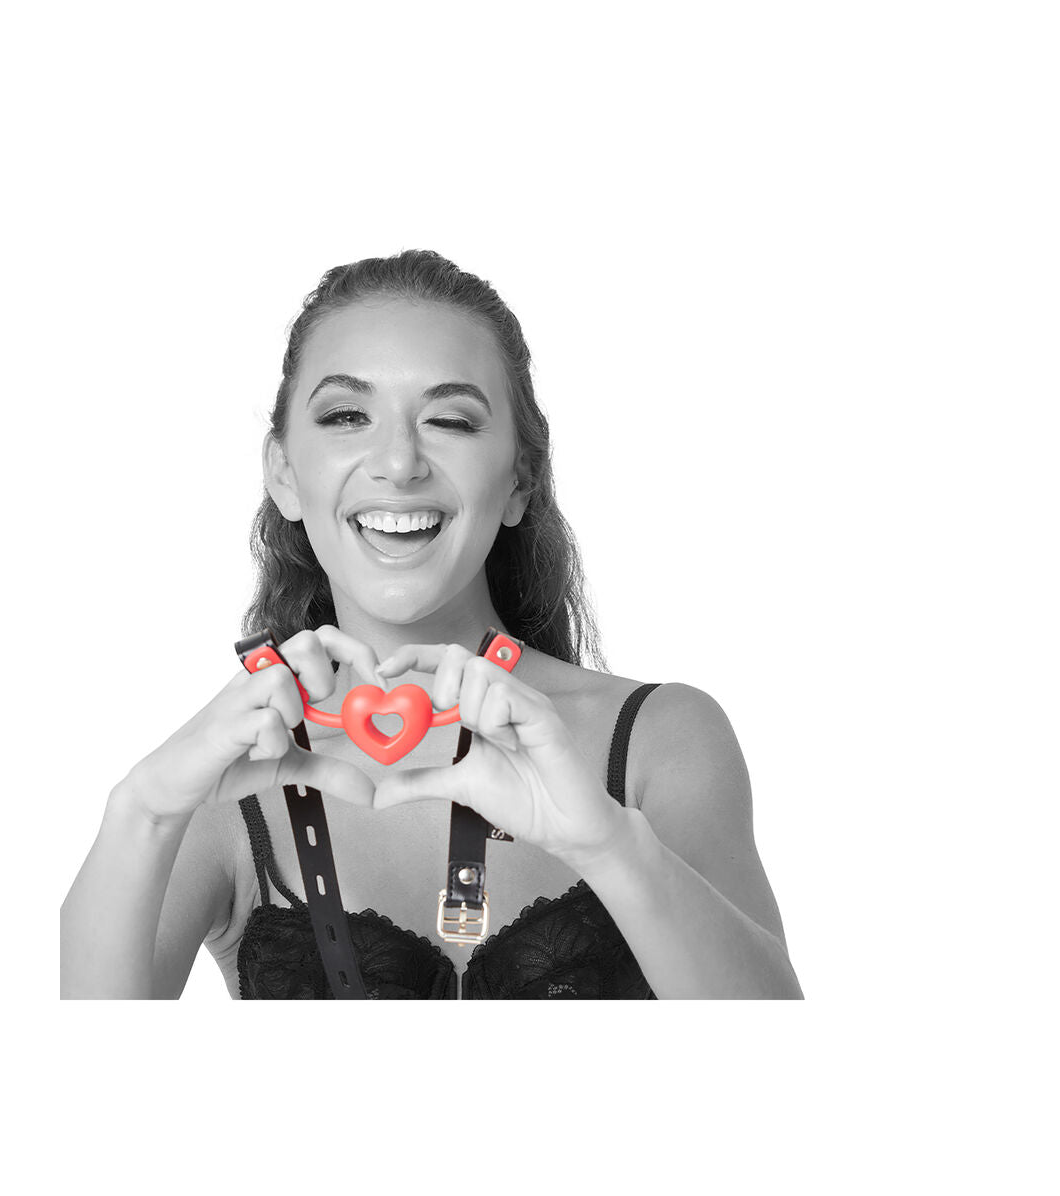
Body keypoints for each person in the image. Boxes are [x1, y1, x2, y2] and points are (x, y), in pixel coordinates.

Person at [60, 249, 803, 1000]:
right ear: (283, 473)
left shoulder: (660, 738)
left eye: (450, 420)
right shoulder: (228, 781)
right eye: (347, 416)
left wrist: (607, 845)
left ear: (520, 480)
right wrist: (141, 811)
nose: (399, 462)